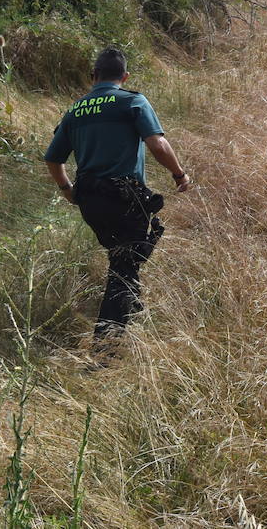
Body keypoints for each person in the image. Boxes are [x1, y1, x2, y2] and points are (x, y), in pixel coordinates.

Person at [43, 48, 193, 346]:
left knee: (122, 257)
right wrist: (179, 175)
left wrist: (67, 191)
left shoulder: (75, 111)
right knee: (123, 267)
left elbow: (53, 159)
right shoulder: (132, 101)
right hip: (124, 198)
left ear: (93, 77)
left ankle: (133, 309)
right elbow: (158, 144)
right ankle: (105, 348)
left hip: (89, 200)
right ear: (124, 77)